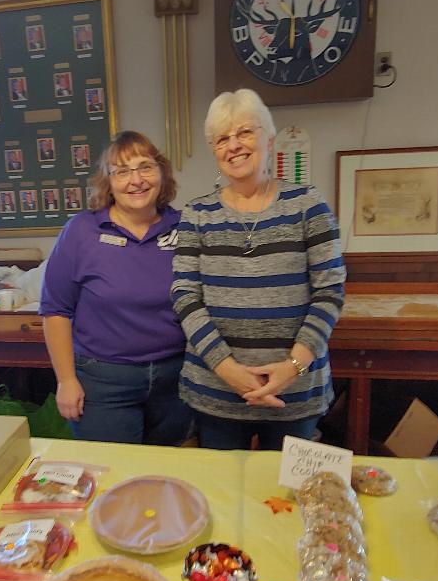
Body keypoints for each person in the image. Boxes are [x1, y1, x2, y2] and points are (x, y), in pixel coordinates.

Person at [171, 88, 346, 451]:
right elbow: (185, 296)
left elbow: (330, 292)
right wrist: (227, 369)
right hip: (216, 389)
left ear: (268, 138)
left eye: (244, 132)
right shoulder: (197, 214)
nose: (233, 145)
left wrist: (292, 367)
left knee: (285, 499)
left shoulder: (307, 205)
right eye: (222, 138)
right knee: (221, 497)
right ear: (214, 151)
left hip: (294, 393)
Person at [39, 130, 192, 445]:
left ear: (162, 173)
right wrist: (66, 381)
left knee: (165, 472)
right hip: (103, 383)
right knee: (113, 475)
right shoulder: (81, 231)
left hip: (175, 380)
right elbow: (56, 310)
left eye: (145, 167)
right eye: (122, 172)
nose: (136, 180)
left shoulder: (185, 227)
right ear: (108, 182)